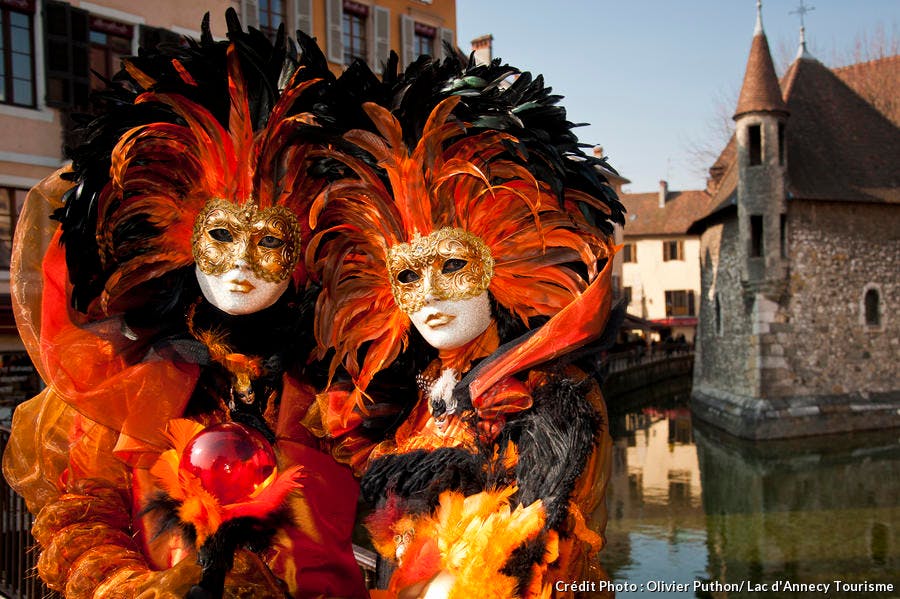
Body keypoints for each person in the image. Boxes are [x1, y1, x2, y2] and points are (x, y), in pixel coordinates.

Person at [2, 12, 367, 598]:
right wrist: (147, 589)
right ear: (184, 234)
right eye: (221, 235)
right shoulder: (136, 383)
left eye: (269, 239)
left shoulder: (338, 386)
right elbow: (83, 521)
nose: (242, 265)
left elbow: (423, 491)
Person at [305, 51, 624, 598]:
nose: (427, 295)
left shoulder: (551, 401)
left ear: (500, 265)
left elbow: (546, 550)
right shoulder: (409, 398)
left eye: (452, 265)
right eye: (407, 275)